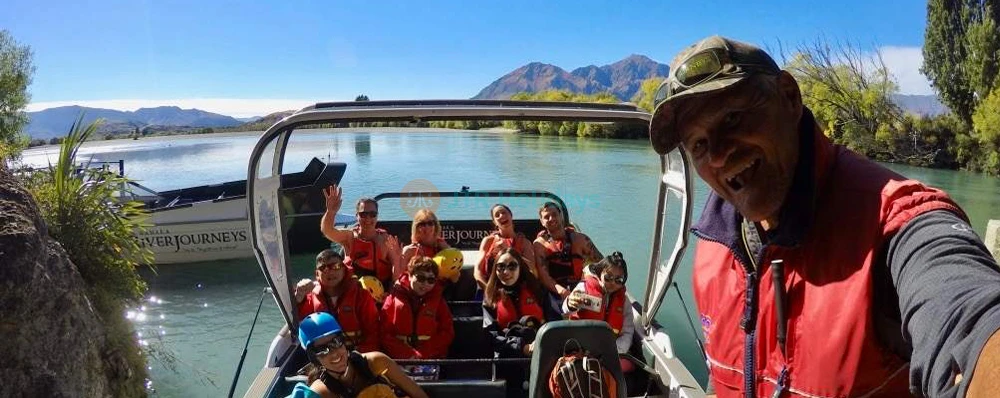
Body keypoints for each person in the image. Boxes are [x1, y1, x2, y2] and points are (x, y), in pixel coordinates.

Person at [648, 35, 1000, 397]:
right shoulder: (714, 250)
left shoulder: (894, 225)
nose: (719, 155)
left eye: (733, 118)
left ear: (789, 96)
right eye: (700, 145)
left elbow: (967, 313)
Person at [285, 312, 428, 398]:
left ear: (344, 341)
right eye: (322, 350)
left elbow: (420, 396)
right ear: (313, 357)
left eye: (336, 342)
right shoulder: (321, 392)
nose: (334, 353)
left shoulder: (377, 362)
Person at [482, 247, 560, 398]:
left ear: (520, 267)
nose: (506, 272)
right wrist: (520, 347)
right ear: (495, 270)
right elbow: (490, 336)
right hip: (508, 360)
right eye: (501, 267)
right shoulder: (490, 299)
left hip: (541, 356)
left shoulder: (538, 291)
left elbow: (555, 323)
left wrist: (540, 344)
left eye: (512, 266)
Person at [295, 249, 381, 353]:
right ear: (317, 274)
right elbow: (300, 323)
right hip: (326, 356)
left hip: (358, 355)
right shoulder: (311, 298)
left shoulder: (361, 296)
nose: (330, 271)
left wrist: (358, 358)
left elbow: (373, 333)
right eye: (323, 268)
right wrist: (299, 299)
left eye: (335, 266)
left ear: (344, 269)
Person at [563, 252, 635, 373]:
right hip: (581, 347)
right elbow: (565, 310)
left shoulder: (624, 302)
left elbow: (628, 332)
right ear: (600, 272)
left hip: (610, 350)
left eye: (619, 280)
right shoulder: (584, 288)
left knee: (628, 366)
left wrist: (613, 352)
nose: (612, 283)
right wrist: (570, 303)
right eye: (608, 277)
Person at [320, 185, 401, 294]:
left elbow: (396, 268)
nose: (368, 218)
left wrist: (392, 293)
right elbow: (327, 231)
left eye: (372, 214)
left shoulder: (385, 239)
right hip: (354, 293)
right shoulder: (349, 237)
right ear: (357, 216)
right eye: (363, 214)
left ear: (377, 216)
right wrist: (330, 212)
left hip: (382, 293)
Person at [380, 255, 455, 360]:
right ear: (410, 275)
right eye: (420, 278)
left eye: (431, 280)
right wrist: (406, 354)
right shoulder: (393, 298)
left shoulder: (439, 301)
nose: (425, 284)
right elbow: (384, 332)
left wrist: (423, 353)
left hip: (430, 358)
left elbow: (447, 332)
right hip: (399, 359)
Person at [533, 202, 603, 299]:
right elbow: (544, 277)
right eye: (546, 217)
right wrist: (564, 293)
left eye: (554, 214)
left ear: (561, 216)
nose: (551, 219)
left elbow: (601, 263)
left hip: (582, 288)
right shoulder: (540, 245)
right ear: (542, 222)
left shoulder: (580, 239)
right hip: (555, 292)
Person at [476, 204, 537, 290]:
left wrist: (510, 251)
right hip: (490, 287)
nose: (501, 216)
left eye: (504, 212)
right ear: (495, 222)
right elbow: (477, 271)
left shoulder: (524, 242)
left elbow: (533, 270)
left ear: (511, 216)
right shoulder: (488, 241)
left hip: (517, 289)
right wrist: (488, 290)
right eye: (497, 215)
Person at [398, 209, 450, 280]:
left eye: (430, 223)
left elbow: (455, 264)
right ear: (416, 228)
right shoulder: (409, 250)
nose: (427, 227)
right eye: (422, 224)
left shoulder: (441, 246)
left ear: (435, 226)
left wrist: (446, 249)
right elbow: (399, 279)